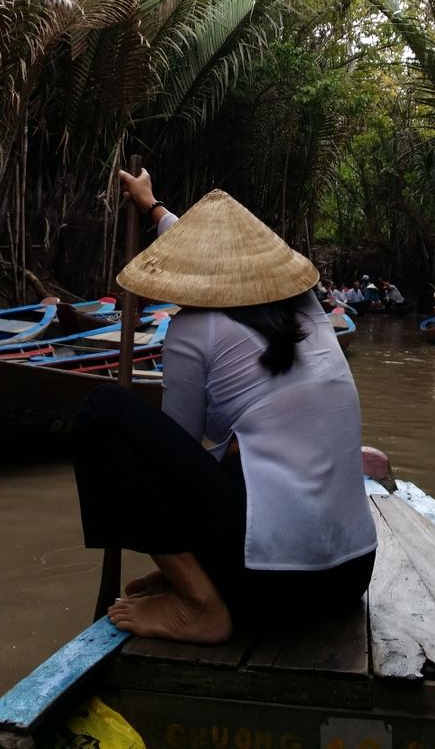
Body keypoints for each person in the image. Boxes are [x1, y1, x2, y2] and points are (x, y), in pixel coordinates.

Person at [72, 169, 377, 644]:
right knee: (239, 456)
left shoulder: (193, 331)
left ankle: (199, 601)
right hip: (349, 579)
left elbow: (172, 467)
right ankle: (201, 574)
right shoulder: (310, 308)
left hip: (273, 584)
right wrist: (152, 206)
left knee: (101, 413)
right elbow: (208, 258)